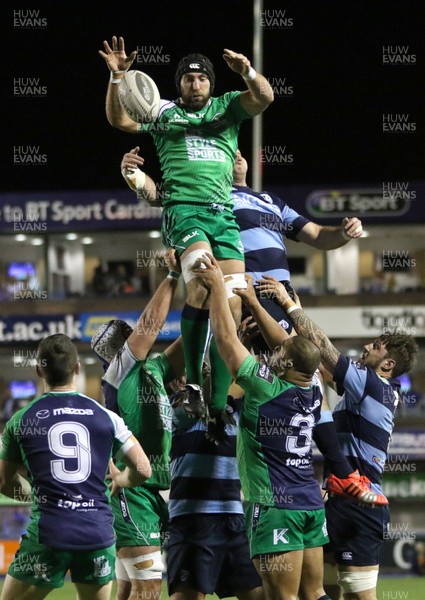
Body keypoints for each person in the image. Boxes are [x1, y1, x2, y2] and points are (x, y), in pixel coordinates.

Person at [99, 35, 274, 425]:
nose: (195, 84)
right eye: (188, 79)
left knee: (231, 301)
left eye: (201, 79)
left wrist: (246, 71)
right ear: (177, 83)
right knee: (200, 284)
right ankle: (193, 385)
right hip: (184, 212)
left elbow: (264, 98)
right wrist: (117, 78)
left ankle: (216, 405)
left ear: (211, 83)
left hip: (222, 214)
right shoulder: (162, 112)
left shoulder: (228, 107)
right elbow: (120, 120)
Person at [268, 278, 419, 600]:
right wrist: (296, 323)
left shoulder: (373, 385)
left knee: (357, 594)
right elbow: (316, 363)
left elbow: (324, 348)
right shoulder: (365, 391)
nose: (366, 348)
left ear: (388, 364)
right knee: (320, 589)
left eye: (375, 347)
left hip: (361, 505)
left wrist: (289, 305)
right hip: (338, 500)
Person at [192, 253, 332, 600]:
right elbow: (289, 349)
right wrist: (253, 301)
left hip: (275, 506)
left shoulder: (264, 385)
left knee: (281, 597)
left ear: (283, 363)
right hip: (310, 503)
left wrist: (217, 289)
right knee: (315, 593)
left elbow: (226, 342)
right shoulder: (314, 387)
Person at [0, 334, 151, 600]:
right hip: (96, 536)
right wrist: (123, 480)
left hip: (48, 535)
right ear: (77, 368)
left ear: (38, 370)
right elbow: (144, 469)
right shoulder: (106, 417)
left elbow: (3, 482)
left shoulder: (22, 420)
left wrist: (34, 493)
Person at [91, 250, 186, 600]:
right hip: (132, 490)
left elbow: (190, 339)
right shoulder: (118, 373)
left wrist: (217, 304)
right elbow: (151, 326)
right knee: (148, 590)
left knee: (130, 588)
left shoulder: (153, 370)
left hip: (150, 490)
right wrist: (174, 275)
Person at [231, 148, 363, 337]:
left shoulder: (271, 200)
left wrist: (344, 233)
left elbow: (317, 235)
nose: (237, 155)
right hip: (255, 290)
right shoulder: (218, 199)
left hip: (284, 293)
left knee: (293, 358)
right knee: (292, 355)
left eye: (239, 152)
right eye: (230, 152)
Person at [166, 376, 264, 600]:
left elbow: (245, 375)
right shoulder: (175, 409)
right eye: (180, 373)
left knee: (262, 594)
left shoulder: (235, 407)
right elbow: (203, 395)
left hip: (233, 518)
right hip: (192, 520)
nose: (184, 378)